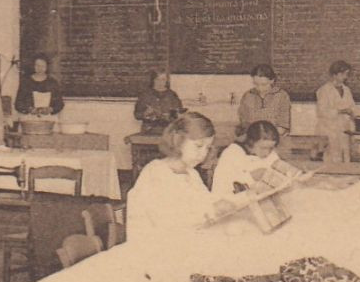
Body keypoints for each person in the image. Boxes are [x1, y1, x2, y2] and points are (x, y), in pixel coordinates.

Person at [125, 112, 240, 243]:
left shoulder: (191, 173)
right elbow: (168, 223)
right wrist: (212, 211)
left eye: (207, 148)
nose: (203, 154)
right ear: (178, 141)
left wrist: (224, 204)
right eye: (198, 146)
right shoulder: (156, 174)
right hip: (157, 247)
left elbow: (205, 202)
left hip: (185, 242)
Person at [211, 120, 305, 198]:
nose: (267, 153)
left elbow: (280, 173)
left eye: (271, 148)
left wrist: (293, 175)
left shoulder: (268, 153)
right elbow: (221, 190)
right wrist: (251, 177)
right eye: (263, 148)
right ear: (251, 142)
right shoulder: (232, 154)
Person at [315, 60, 357, 164]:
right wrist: (341, 111)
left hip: (344, 128)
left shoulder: (347, 90)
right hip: (330, 128)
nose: (345, 77)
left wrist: (351, 112)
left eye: (347, 74)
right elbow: (321, 111)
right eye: (343, 74)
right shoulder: (324, 90)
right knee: (332, 156)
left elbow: (352, 106)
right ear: (334, 75)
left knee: (345, 155)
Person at [237, 63, 291, 137]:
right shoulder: (248, 95)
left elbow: (283, 125)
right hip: (252, 138)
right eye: (256, 84)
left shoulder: (282, 96)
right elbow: (243, 122)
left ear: (272, 81)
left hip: (275, 138)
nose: (260, 88)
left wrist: (266, 137)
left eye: (264, 84)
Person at [133, 70, 183, 134]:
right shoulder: (145, 95)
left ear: (166, 81)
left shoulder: (172, 95)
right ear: (153, 80)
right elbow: (136, 115)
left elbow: (179, 114)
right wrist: (145, 113)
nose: (160, 82)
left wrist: (170, 115)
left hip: (168, 130)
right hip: (149, 130)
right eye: (157, 79)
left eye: (163, 79)